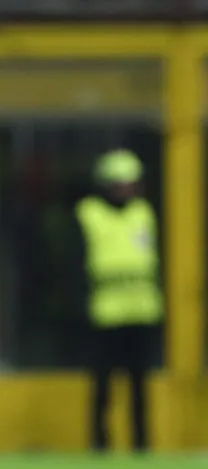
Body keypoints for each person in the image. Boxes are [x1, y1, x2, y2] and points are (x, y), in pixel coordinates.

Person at [71, 149, 163, 452]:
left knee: (140, 385)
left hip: (142, 310)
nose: (126, 190)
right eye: (120, 184)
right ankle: (100, 443)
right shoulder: (89, 213)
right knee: (103, 385)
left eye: (131, 184)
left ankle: (142, 444)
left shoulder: (144, 213)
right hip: (105, 311)